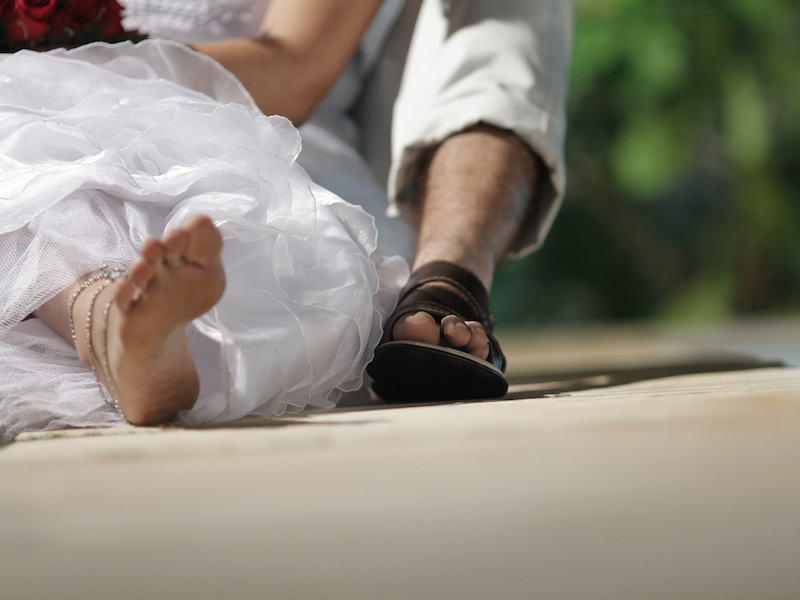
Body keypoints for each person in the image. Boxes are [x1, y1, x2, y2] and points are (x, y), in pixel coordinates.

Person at [123, 0, 572, 401]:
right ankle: (121, 338)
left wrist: (84, 63)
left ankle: (449, 270)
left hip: (282, 125)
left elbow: (295, 73)